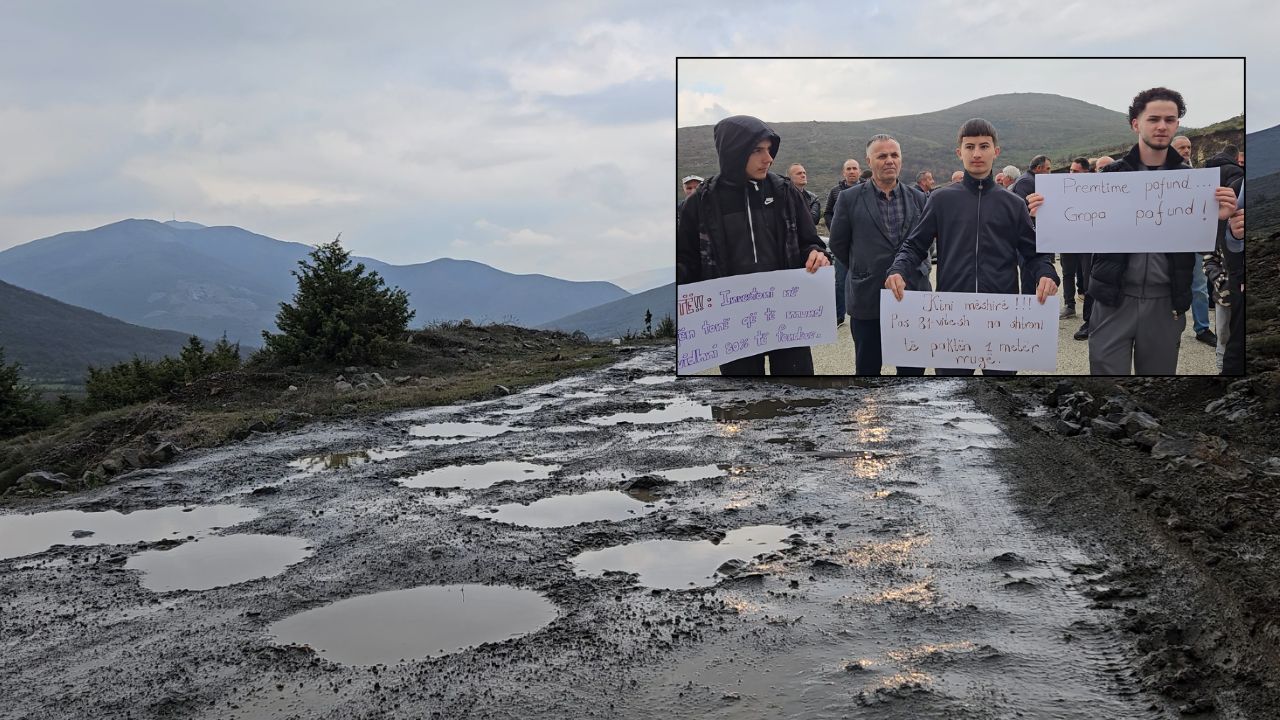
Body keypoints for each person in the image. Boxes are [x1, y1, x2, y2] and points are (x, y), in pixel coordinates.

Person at [1036, 87, 1236, 375]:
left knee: (1155, 390)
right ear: (1135, 124)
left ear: (1177, 124)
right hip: (1112, 300)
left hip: (1166, 304)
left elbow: (1210, 248)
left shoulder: (1194, 183)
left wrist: (1222, 221)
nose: (1162, 126)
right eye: (1153, 118)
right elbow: (1076, 222)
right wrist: (1046, 211)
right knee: (1106, 388)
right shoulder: (1109, 177)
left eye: (1170, 119)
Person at [886, 118, 1059, 376]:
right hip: (952, 317)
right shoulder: (941, 199)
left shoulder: (1012, 203)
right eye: (969, 147)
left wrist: (1046, 273)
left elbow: (1033, 252)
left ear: (995, 152)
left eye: (984, 146)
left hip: (1001, 316)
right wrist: (898, 269)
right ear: (959, 153)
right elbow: (915, 244)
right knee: (954, 401)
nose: (976, 153)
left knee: (1000, 400)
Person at [677, 115, 831, 375]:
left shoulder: (785, 192)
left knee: (798, 397)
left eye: (769, 150)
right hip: (733, 324)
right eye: (758, 150)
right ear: (734, 151)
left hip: (787, 317)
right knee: (744, 404)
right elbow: (687, 261)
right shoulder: (701, 202)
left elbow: (810, 241)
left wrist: (816, 254)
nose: (768, 158)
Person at [828, 134, 931, 375]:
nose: (889, 161)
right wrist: (862, 267)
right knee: (868, 368)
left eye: (894, 155)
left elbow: (927, 242)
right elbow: (838, 244)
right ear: (869, 160)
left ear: (901, 160)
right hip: (868, 297)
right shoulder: (849, 198)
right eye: (882, 156)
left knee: (913, 370)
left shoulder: (919, 198)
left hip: (912, 295)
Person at [825, 159, 863, 325]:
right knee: (840, 281)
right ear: (843, 172)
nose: (852, 171)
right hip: (842, 244)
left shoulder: (868, 189)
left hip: (863, 244)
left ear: (860, 171)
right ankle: (838, 316)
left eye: (855, 168)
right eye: (848, 168)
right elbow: (826, 213)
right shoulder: (835, 192)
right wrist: (835, 230)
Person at [1059, 157, 1092, 323]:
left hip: (1087, 241)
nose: (1071, 174)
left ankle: (1089, 311)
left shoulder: (1095, 191)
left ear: (1087, 173)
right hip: (1067, 239)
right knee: (1067, 273)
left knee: (1087, 274)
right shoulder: (1062, 189)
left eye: (1076, 172)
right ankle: (1069, 305)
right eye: (1071, 171)